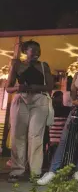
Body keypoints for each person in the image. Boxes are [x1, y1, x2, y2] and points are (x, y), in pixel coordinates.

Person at [37, 50, 78, 184]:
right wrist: (73, 100)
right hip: (77, 104)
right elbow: (73, 90)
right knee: (64, 137)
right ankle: (52, 171)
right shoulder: (77, 73)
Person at [6, 40, 54, 182]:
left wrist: (33, 87)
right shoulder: (17, 65)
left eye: (39, 50)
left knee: (35, 136)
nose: (37, 53)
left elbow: (50, 86)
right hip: (21, 99)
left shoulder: (43, 66)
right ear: (25, 51)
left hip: (39, 100)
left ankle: (35, 171)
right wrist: (18, 88)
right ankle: (17, 170)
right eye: (33, 50)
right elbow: (8, 88)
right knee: (17, 135)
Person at [46, 91, 71, 161]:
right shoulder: (67, 110)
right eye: (60, 98)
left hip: (51, 139)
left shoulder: (49, 110)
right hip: (62, 138)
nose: (61, 100)